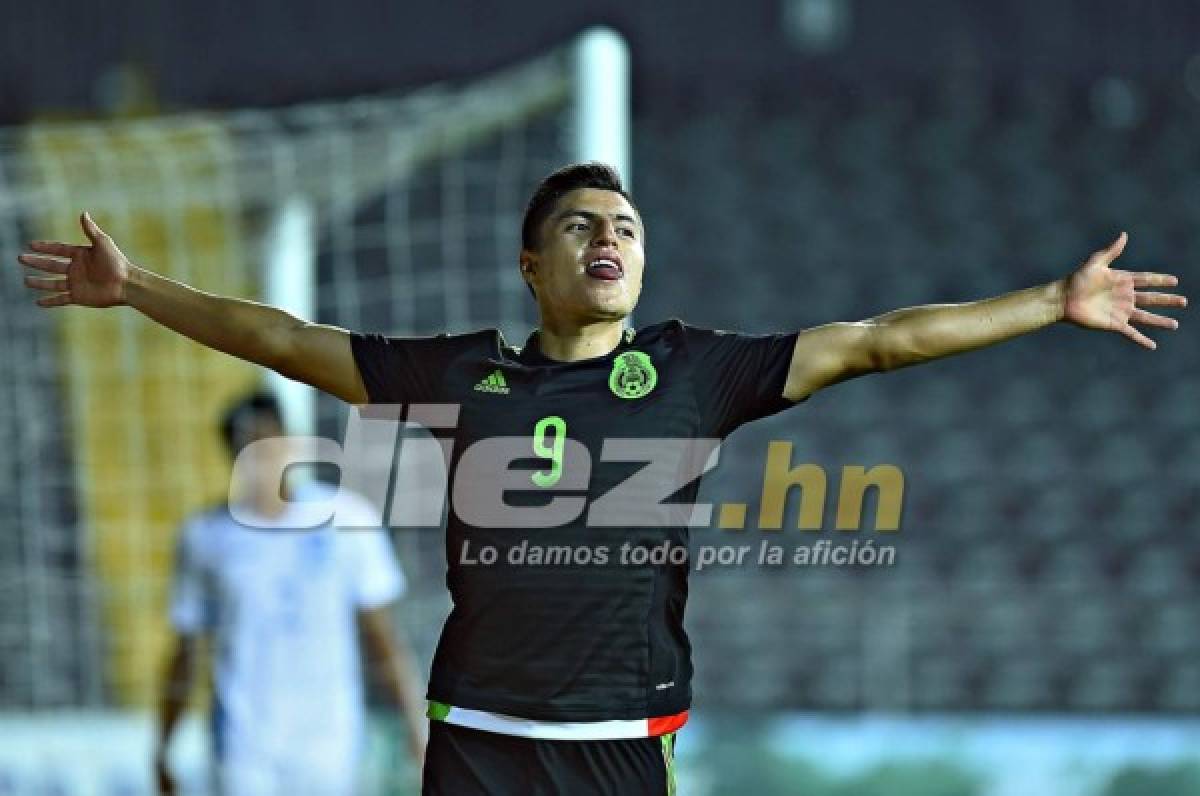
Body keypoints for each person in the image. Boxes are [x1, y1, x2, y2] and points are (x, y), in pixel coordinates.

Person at [17, 162, 1186, 794]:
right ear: (534, 263)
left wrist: (1050, 301)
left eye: (623, 224)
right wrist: (140, 288)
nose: (608, 238)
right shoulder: (456, 373)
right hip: (475, 732)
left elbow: (881, 337)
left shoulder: (695, 370)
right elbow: (280, 339)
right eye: (580, 225)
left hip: (621, 737)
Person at [153, 390, 426, 795]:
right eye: (249, 448)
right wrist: (164, 743)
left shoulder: (346, 519)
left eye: (270, 442)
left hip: (328, 740)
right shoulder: (206, 537)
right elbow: (186, 650)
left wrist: (416, 726)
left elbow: (382, 637)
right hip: (243, 743)